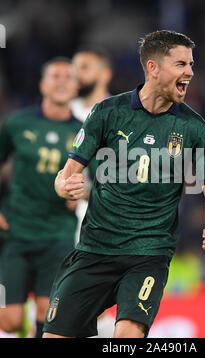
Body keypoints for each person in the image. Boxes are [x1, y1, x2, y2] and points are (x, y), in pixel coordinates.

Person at [42, 30, 205, 338]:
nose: (190, 72)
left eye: (192, 64)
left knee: (127, 337)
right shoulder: (107, 113)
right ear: (153, 68)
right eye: (181, 64)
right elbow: (67, 172)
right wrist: (63, 186)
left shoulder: (195, 128)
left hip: (148, 254)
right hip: (94, 250)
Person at [0, 57, 83, 338]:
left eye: (68, 77)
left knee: (47, 314)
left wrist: (84, 191)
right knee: (9, 320)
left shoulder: (86, 131)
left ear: (76, 87)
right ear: (42, 85)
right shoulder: (16, 124)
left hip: (58, 234)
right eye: (55, 76)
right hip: (16, 231)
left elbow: (102, 178)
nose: (61, 81)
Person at [71, 47, 115, 338]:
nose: (76, 74)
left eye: (85, 67)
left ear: (104, 73)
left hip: (101, 214)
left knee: (92, 298)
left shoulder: (122, 113)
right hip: (60, 215)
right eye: (75, 67)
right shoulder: (63, 109)